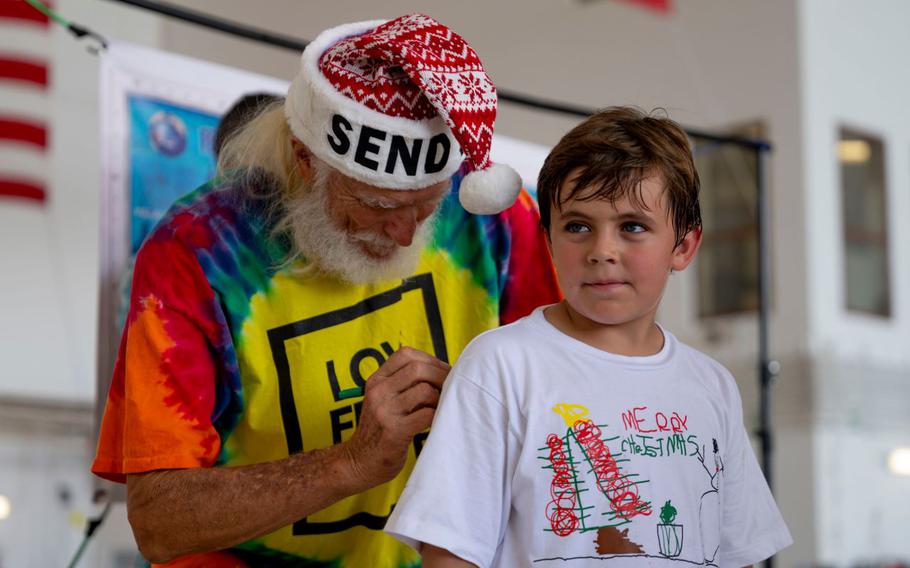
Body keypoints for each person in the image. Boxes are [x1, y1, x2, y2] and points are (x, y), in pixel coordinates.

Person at [91, 14, 560, 568]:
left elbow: (562, 403)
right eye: (379, 205)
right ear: (305, 158)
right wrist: (351, 463)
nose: (406, 234)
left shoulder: (498, 223)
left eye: (428, 206)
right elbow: (158, 520)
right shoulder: (195, 252)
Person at [385, 107, 793, 567]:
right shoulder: (500, 365)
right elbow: (450, 552)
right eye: (578, 226)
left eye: (632, 227)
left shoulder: (713, 386)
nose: (602, 251)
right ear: (549, 239)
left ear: (683, 246)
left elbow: (737, 552)